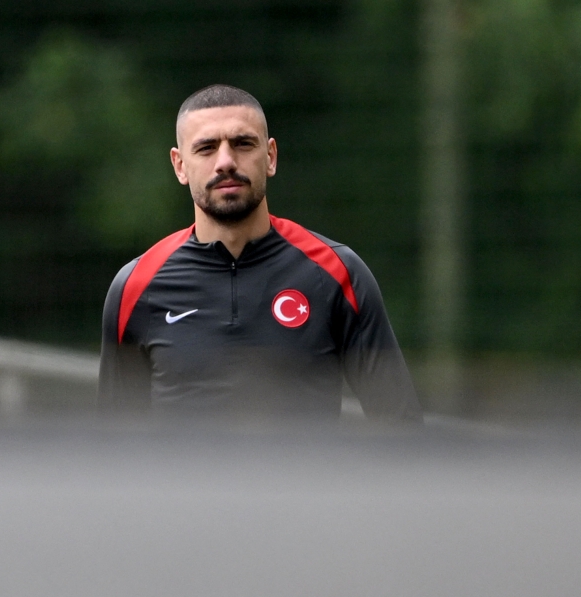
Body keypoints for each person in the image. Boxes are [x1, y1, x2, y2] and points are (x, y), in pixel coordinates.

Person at [99, 84, 421, 421]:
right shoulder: (136, 287)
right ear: (180, 166)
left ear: (270, 157)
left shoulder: (338, 273)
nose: (225, 161)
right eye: (207, 148)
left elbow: (401, 430)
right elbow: (114, 450)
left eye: (242, 144)